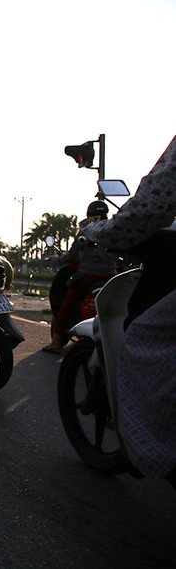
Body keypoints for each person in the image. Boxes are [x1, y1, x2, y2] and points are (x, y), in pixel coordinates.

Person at [80, 134, 176, 483]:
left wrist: (101, 231)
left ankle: (154, 452)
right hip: (108, 268)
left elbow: (149, 207)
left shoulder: (92, 229)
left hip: (101, 265)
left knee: (142, 342)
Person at [42, 200, 119, 353]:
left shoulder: (86, 231)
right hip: (112, 276)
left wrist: (56, 259)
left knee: (66, 304)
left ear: (90, 216)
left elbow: (70, 256)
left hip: (87, 276)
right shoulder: (114, 230)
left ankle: (56, 341)